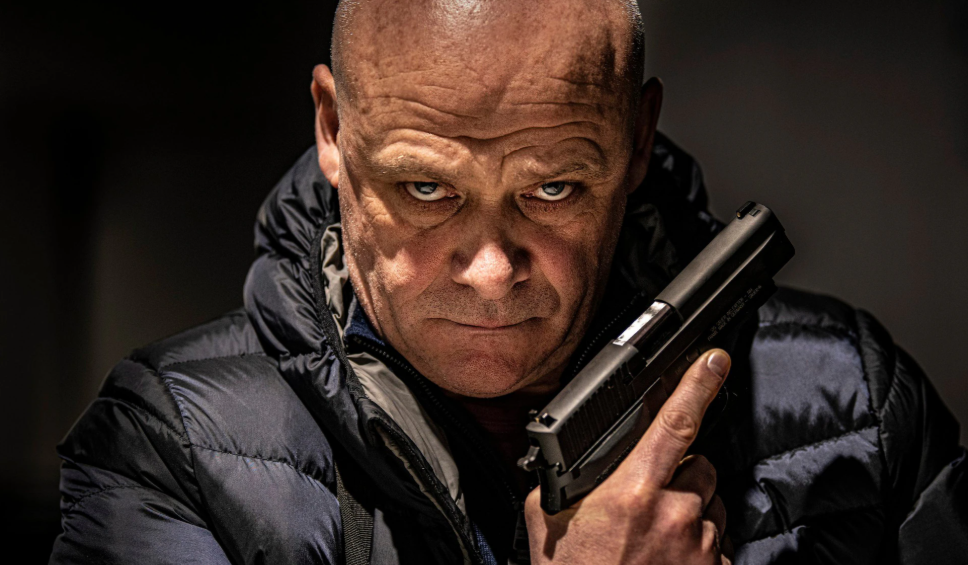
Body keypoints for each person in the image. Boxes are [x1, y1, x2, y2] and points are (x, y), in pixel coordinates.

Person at [48, 1, 967, 564]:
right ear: (333, 128)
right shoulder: (169, 450)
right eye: (426, 190)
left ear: (636, 138)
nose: (491, 274)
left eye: (553, 189)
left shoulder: (858, 405)